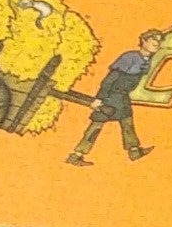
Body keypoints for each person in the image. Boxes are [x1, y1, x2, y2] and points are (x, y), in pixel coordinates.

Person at [66, 28, 165, 164]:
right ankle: (76, 156)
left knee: (127, 122)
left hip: (123, 97)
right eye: (154, 39)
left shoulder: (147, 59)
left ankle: (134, 151)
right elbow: (110, 79)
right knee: (96, 126)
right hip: (110, 96)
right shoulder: (129, 57)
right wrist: (99, 98)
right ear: (144, 41)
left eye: (159, 41)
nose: (157, 43)